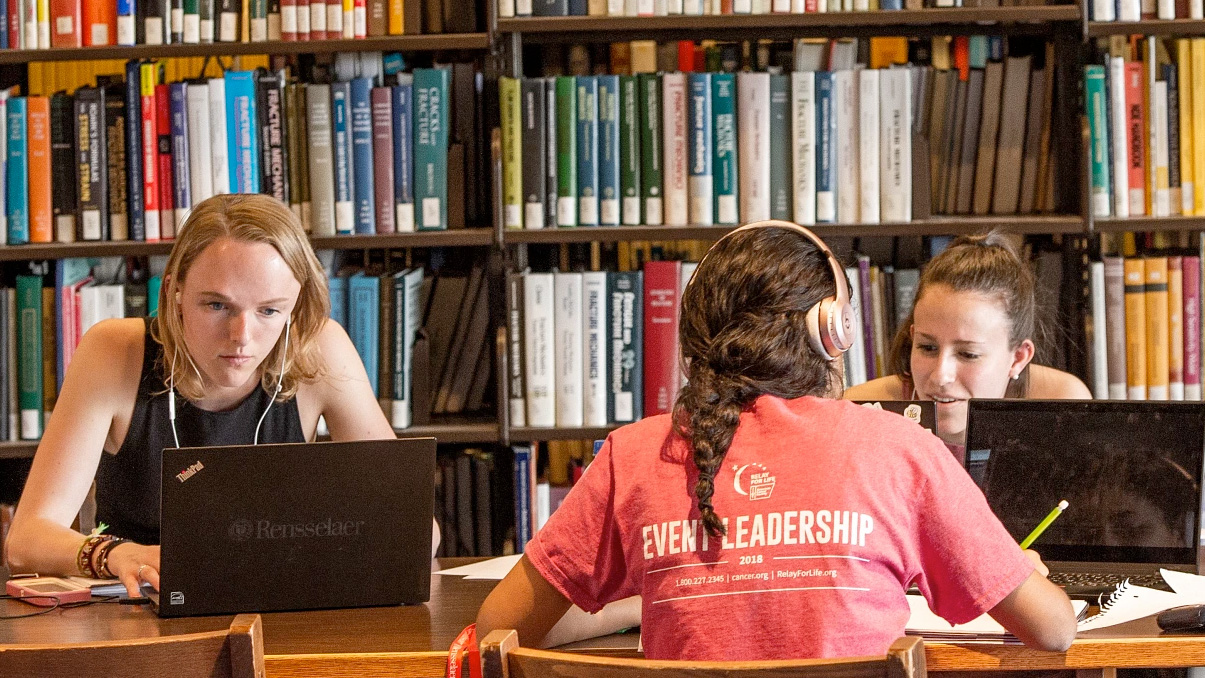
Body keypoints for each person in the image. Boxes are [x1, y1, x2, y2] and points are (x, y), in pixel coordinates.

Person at [476, 221, 1077, 660]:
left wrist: (664, 587)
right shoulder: (900, 447)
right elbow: (1053, 631)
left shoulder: (632, 456)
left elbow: (496, 629)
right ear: (835, 331)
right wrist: (1016, 568)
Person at [5, 193, 435, 597]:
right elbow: (26, 540)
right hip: (140, 612)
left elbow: (417, 529)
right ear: (175, 292)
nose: (241, 337)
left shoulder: (318, 348)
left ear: (295, 303)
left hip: (278, 611)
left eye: (269, 310)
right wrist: (116, 554)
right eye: (216, 306)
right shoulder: (115, 353)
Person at [844, 232, 1090, 456]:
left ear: (1018, 358)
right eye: (927, 348)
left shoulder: (1064, 406)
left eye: (968, 354)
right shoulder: (862, 411)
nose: (941, 376)